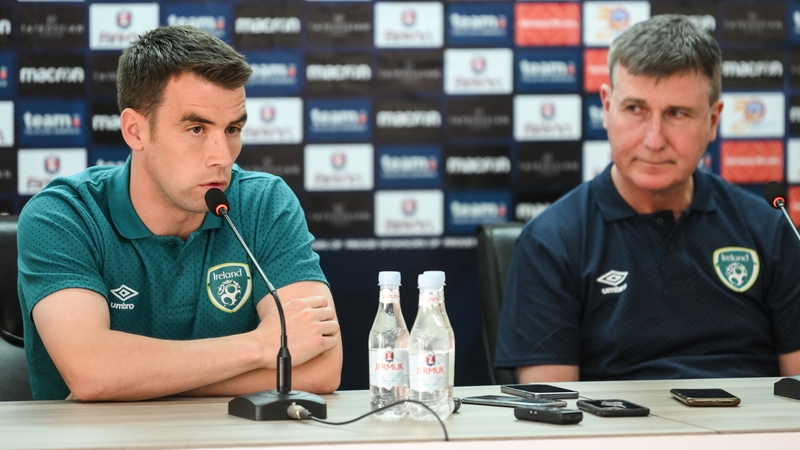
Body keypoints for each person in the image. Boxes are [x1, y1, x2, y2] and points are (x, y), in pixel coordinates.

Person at [18, 26, 342, 401]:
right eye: (196, 128)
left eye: (232, 128)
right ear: (135, 130)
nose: (221, 155)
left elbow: (321, 368)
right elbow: (93, 372)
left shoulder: (264, 203)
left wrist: (135, 381)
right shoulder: (62, 216)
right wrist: (259, 346)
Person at [495, 15, 800, 382]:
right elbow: (554, 411)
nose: (654, 139)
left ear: (714, 120)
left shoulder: (769, 229)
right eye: (635, 109)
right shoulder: (551, 241)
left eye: (677, 113)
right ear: (607, 107)